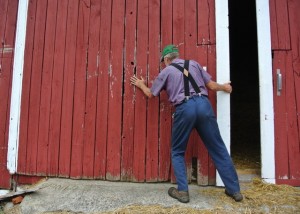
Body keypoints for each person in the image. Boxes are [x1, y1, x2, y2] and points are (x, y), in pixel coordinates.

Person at [130, 44, 243, 203]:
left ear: (168, 59)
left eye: (164, 61)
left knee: (177, 151)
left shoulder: (167, 71)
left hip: (185, 108)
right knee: (218, 148)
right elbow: (210, 86)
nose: (164, 64)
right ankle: (235, 191)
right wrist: (225, 87)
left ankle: (183, 192)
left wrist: (140, 84)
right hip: (204, 105)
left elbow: (151, 94)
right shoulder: (194, 64)